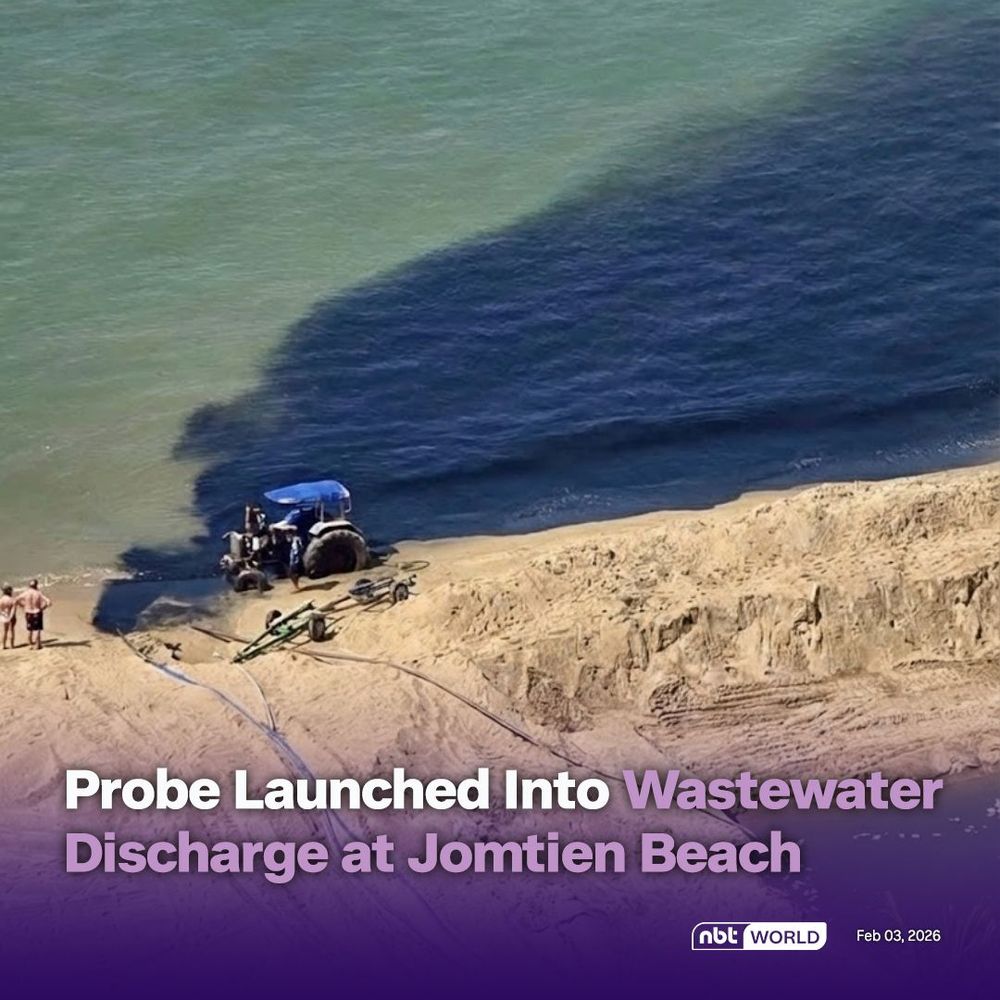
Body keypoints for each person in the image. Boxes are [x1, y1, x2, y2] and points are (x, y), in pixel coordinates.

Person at [18, 580, 52, 651]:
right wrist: (43, 608)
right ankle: (37, 645)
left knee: (30, 629)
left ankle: (30, 644)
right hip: (37, 612)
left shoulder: (26, 593)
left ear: (29, 586)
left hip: (28, 612)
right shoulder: (38, 593)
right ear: (36, 585)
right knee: (37, 629)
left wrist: (23, 606)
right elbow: (49, 602)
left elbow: (16, 600)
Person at [0, 585, 17, 650]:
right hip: (11, 616)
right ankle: (12, 645)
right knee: (11, 630)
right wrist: (11, 617)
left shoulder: (1, 600)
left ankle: (3, 645)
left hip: (3, 617)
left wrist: (3, 614)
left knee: (4, 631)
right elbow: (13, 610)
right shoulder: (12, 600)